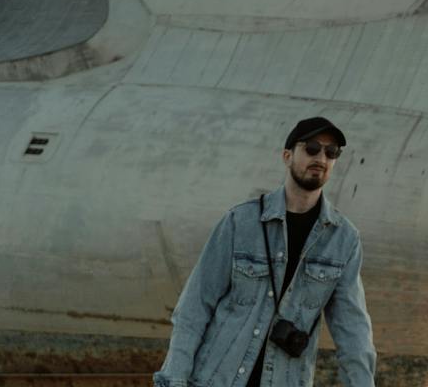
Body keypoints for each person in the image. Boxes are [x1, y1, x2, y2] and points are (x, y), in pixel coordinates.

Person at [155, 116, 375, 387]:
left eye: (331, 153)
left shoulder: (344, 240)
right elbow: (194, 308)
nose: (321, 157)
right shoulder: (241, 221)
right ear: (287, 155)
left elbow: (353, 332)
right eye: (312, 148)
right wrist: (173, 380)